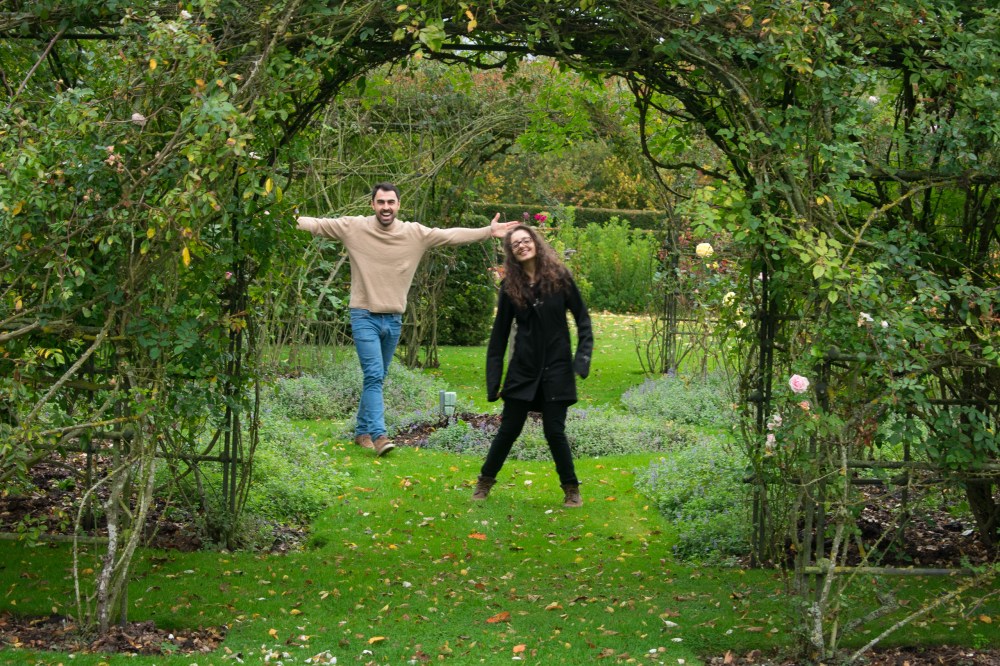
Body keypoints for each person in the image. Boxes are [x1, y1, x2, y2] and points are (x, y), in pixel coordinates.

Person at [296, 183, 516, 456]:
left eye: (391, 202)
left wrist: (488, 231)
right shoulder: (353, 227)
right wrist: (283, 217)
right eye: (380, 202)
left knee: (378, 377)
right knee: (374, 375)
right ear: (372, 205)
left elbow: (450, 235)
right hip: (364, 314)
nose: (385, 207)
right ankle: (379, 435)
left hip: (394, 318)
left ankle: (362, 431)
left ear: (398, 205)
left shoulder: (414, 233)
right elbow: (317, 224)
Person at [472, 224, 593, 507]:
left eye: (526, 240)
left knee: (554, 431)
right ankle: (484, 482)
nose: (522, 246)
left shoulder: (560, 278)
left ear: (536, 243)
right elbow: (498, 338)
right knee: (509, 429)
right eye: (516, 244)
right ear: (511, 252)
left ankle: (571, 489)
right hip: (523, 369)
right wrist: (494, 381)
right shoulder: (510, 287)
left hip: (557, 368)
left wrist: (582, 359)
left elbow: (583, 320)